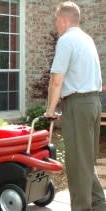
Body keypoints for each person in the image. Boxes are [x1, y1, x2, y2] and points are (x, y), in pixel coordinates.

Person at [45, 1, 106, 210]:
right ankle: (98, 203)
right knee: (86, 159)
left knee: (78, 163)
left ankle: (82, 208)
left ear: (63, 19)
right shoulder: (86, 38)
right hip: (94, 103)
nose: (55, 24)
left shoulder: (66, 40)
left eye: (56, 19)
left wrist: (50, 110)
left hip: (78, 105)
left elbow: (56, 80)